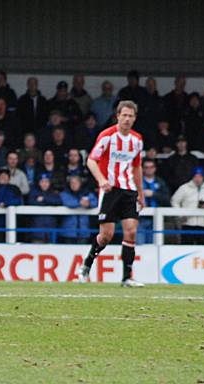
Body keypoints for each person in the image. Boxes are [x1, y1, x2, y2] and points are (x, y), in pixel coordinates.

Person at [78, 100, 145, 287]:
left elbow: (137, 166)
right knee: (106, 236)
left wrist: (141, 193)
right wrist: (101, 180)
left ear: (134, 118)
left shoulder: (137, 140)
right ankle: (87, 264)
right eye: (124, 115)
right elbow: (91, 161)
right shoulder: (107, 136)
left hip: (129, 190)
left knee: (131, 232)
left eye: (130, 116)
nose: (127, 119)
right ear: (118, 116)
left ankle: (126, 277)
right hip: (110, 190)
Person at [170, 166, 204, 245]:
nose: (198, 179)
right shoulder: (184, 188)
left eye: (200, 176)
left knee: (202, 248)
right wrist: (181, 215)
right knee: (186, 247)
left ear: (203, 177)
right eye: (196, 176)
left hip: (203, 224)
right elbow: (174, 201)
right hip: (188, 223)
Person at [137, 158, 170, 244]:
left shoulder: (160, 182)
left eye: (151, 167)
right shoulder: (137, 181)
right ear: (143, 169)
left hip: (156, 219)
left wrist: (153, 194)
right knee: (139, 246)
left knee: (154, 246)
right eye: (146, 167)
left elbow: (167, 199)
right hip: (140, 219)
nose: (149, 169)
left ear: (155, 168)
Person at [59, 175, 97, 244]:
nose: (73, 185)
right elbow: (68, 202)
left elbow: (95, 202)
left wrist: (89, 204)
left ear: (80, 184)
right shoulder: (65, 193)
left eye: (76, 183)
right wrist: (80, 202)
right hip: (69, 232)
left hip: (84, 231)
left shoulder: (87, 193)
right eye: (72, 183)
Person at [27, 173, 62, 243]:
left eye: (46, 181)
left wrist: (44, 199)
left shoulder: (54, 193)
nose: (44, 184)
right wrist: (48, 201)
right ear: (39, 183)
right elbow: (30, 202)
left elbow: (58, 202)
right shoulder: (33, 193)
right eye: (42, 182)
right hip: (37, 232)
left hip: (51, 232)